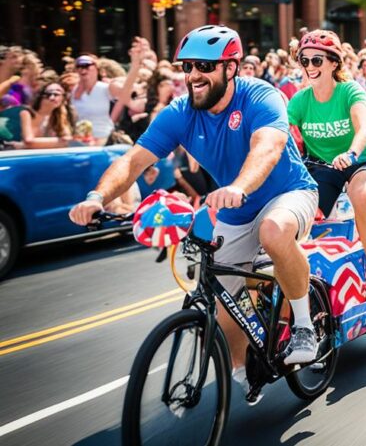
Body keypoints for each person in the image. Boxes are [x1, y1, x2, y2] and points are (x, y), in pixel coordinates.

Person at [69, 25, 321, 401]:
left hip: (288, 192)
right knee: (224, 300)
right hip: (234, 209)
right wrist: (97, 197)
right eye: (187, 66)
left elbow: (267, 147)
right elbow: (134, 161)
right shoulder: (180, 112)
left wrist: (239, 186)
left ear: (231, 68)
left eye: (205, 65)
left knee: (273, 230)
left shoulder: (260, 96)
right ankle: (240, 372)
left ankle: (304, 327)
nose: (193, 75)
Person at [288, 30, 366, 298]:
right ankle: (304, 278)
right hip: (325, 167)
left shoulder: (350, 91)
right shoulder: (300, 101)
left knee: (359, 193)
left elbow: (364, 130)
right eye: (305, 60)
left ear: (334, 63)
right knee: (300, 213)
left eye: (317, 61)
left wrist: (352, 153)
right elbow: (280, 137)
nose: (310, 67)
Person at [71, 52, 133, 143]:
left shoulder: (106, 87)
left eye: (86, 65)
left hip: (105, 138)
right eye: (78, 66)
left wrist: (135, 66)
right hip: (82, 141)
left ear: (96, 68)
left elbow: (127, 92)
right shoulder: (73, 91)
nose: (82, 69)